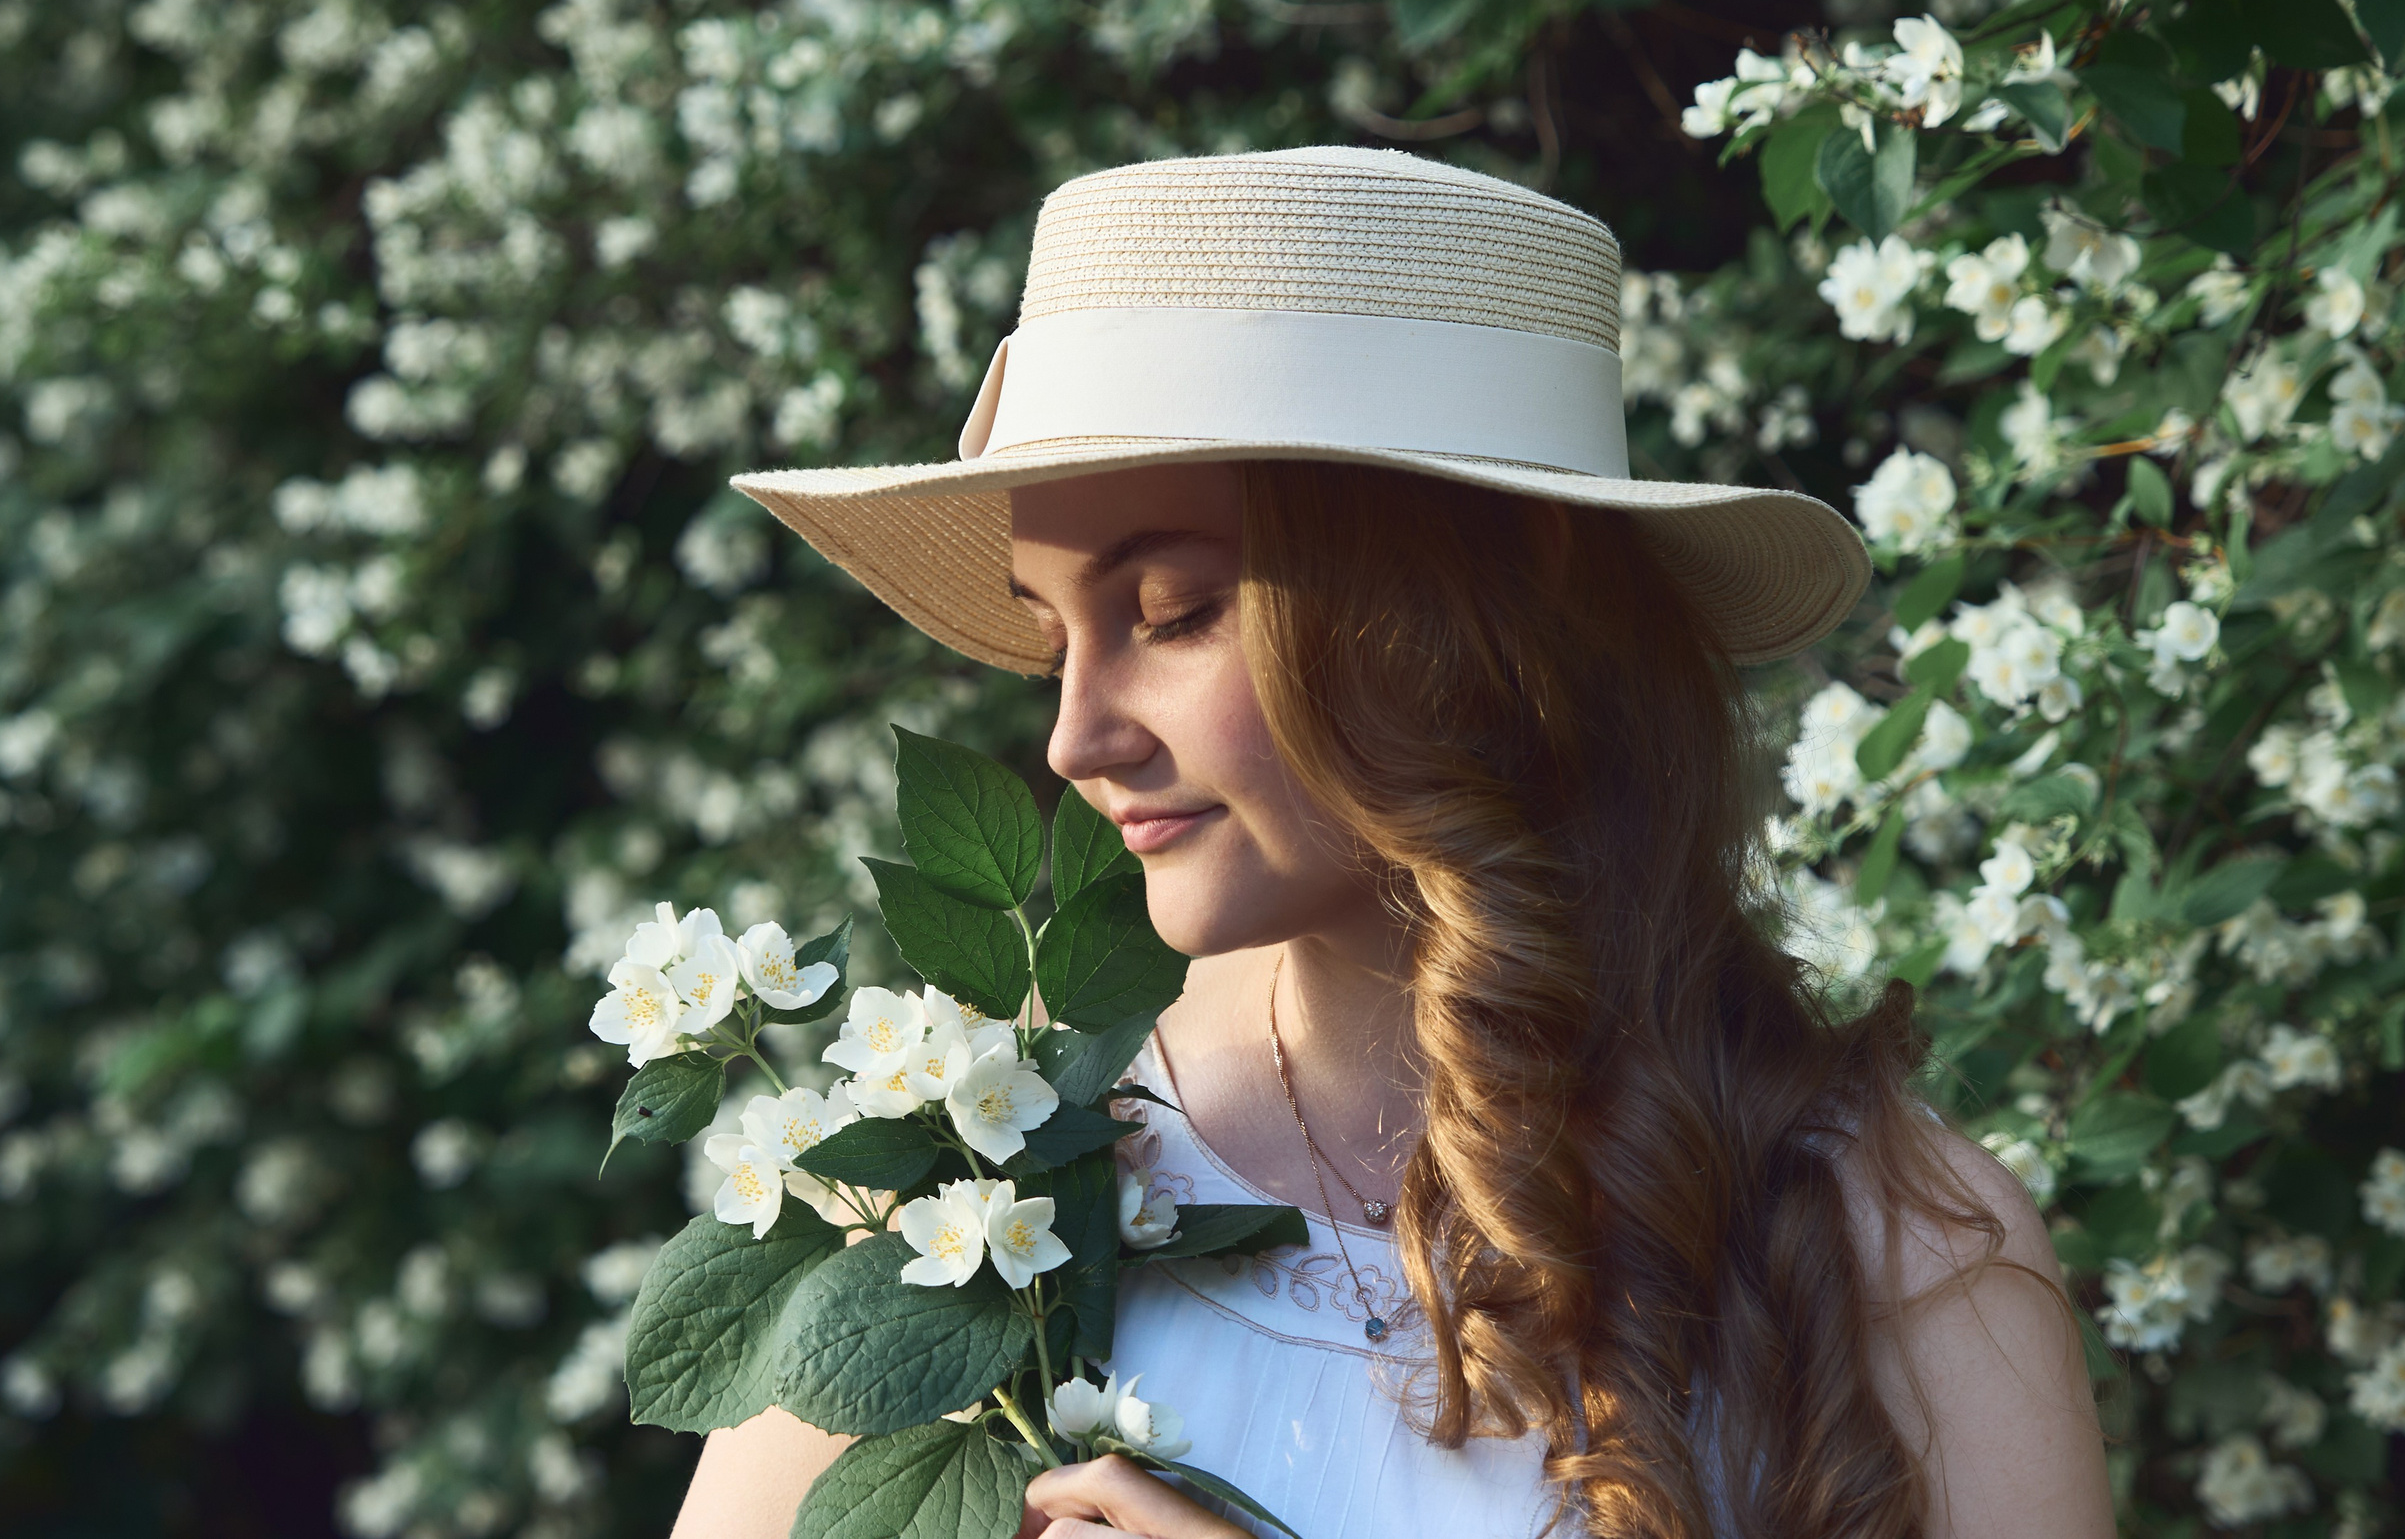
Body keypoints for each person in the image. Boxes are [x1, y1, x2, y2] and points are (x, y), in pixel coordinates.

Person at [681, 145, 2114, 1539]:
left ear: (1486, 602)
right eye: (1057, 636)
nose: (1073, 737)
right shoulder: (985, 1186)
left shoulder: (1897, 1255)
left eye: (1174, 612)